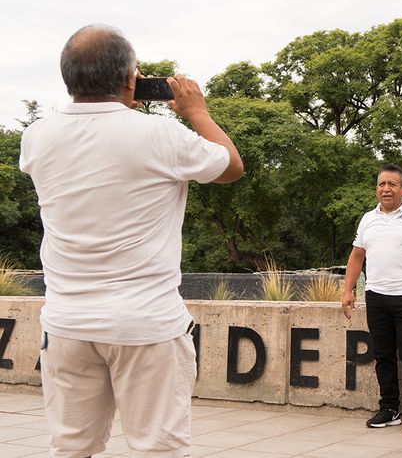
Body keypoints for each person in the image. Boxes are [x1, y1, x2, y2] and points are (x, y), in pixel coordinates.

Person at [19, 24, 244, 458]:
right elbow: (231, 167)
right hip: (146, 326)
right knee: (157, 448)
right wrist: (196, 112)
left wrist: (120, 101)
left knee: (69, 447)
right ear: (129, 78)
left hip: (67, 324)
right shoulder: (161, 136)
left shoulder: (36, 138)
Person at [341, 163, 402, 434]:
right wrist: (348, 290)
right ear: (376, 189)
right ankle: (389, 409)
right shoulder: (367, 219)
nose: (386, 189)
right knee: (382, 356)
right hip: (376, 296)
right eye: (382, 184)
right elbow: (357, 256)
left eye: (392, 184)